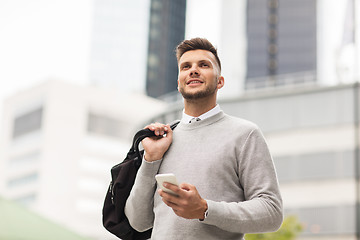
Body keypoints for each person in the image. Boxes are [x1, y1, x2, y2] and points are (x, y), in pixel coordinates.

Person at [125, 37, 283, 240]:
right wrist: (151, 159)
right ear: (179, 82)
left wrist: (204, 209)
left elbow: (272, 212)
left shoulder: (245, 134)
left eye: (203, 65)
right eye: (186, 67)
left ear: (220, 81)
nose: (193, 70)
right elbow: (138, 222)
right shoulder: (161, 140)